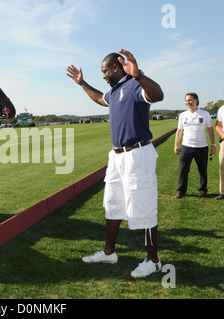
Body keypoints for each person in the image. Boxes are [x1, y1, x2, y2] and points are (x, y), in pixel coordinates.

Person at [67, 49, 164, 278]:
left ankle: (153, 260)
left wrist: (138, 75)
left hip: (137, 155)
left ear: (116, 67)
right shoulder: (115, 90)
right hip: (117, 157)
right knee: (112, 204)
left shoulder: (134, 85)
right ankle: (109, 252)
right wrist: (82, 83)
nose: (103, 76)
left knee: (145, 207)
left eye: (105, 71)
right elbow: (101, 99)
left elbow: (158, 95)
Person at [173, 93, 217, 198]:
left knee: (203, 170)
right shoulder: (183, 115)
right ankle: (180, 191)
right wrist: (176, 145)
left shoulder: (205, 114)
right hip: (186, 147)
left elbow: (210, 130)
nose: (188, 102)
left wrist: (213, 144)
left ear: (196, 100)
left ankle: (203, 191)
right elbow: (179, 131)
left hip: (202, 147)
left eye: (190, 100)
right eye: (186, 100)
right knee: (183, 170)